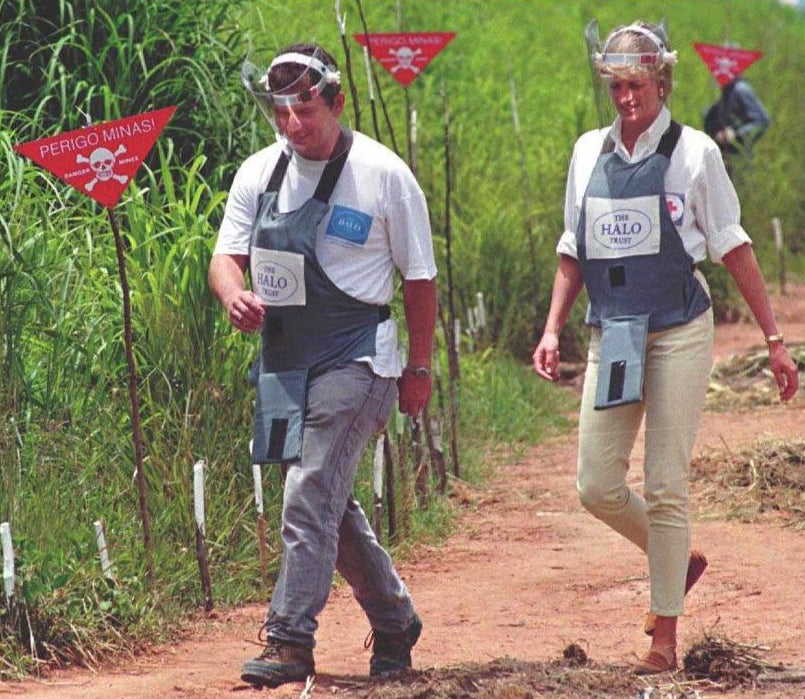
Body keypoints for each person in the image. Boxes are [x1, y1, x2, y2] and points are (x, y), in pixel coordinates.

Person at [532, 21, 799, 675]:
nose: (627, 98)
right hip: (612, 330)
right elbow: (573, 248)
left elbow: (733, 245)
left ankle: (663, 641)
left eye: (638, 85)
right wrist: (549, 327)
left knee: (665, 482)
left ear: (661, 81)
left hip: (680, 329)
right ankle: (676, 557)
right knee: (596, 482)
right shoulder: (585, 152)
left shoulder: (695, 153)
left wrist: (773, 340)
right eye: (617, 86)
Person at [209, 43, 437, 689]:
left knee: (307, 492)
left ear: (335, 102)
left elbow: (420, 281)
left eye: (304, 109)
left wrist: (416, 370)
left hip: (357, 356)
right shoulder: (261, 171)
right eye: (280, 112)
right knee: (327, 504)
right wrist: (234, 295)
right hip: (283, 360)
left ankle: (288, 639)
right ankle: (394, 620)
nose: (292, 125)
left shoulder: (383, 174)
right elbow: (226, 257)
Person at [703, 75, 770, 175]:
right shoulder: (725, 92)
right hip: (726, 160)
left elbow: (761, 121)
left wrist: (736, 134)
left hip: (740, 157)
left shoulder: (741, 90)